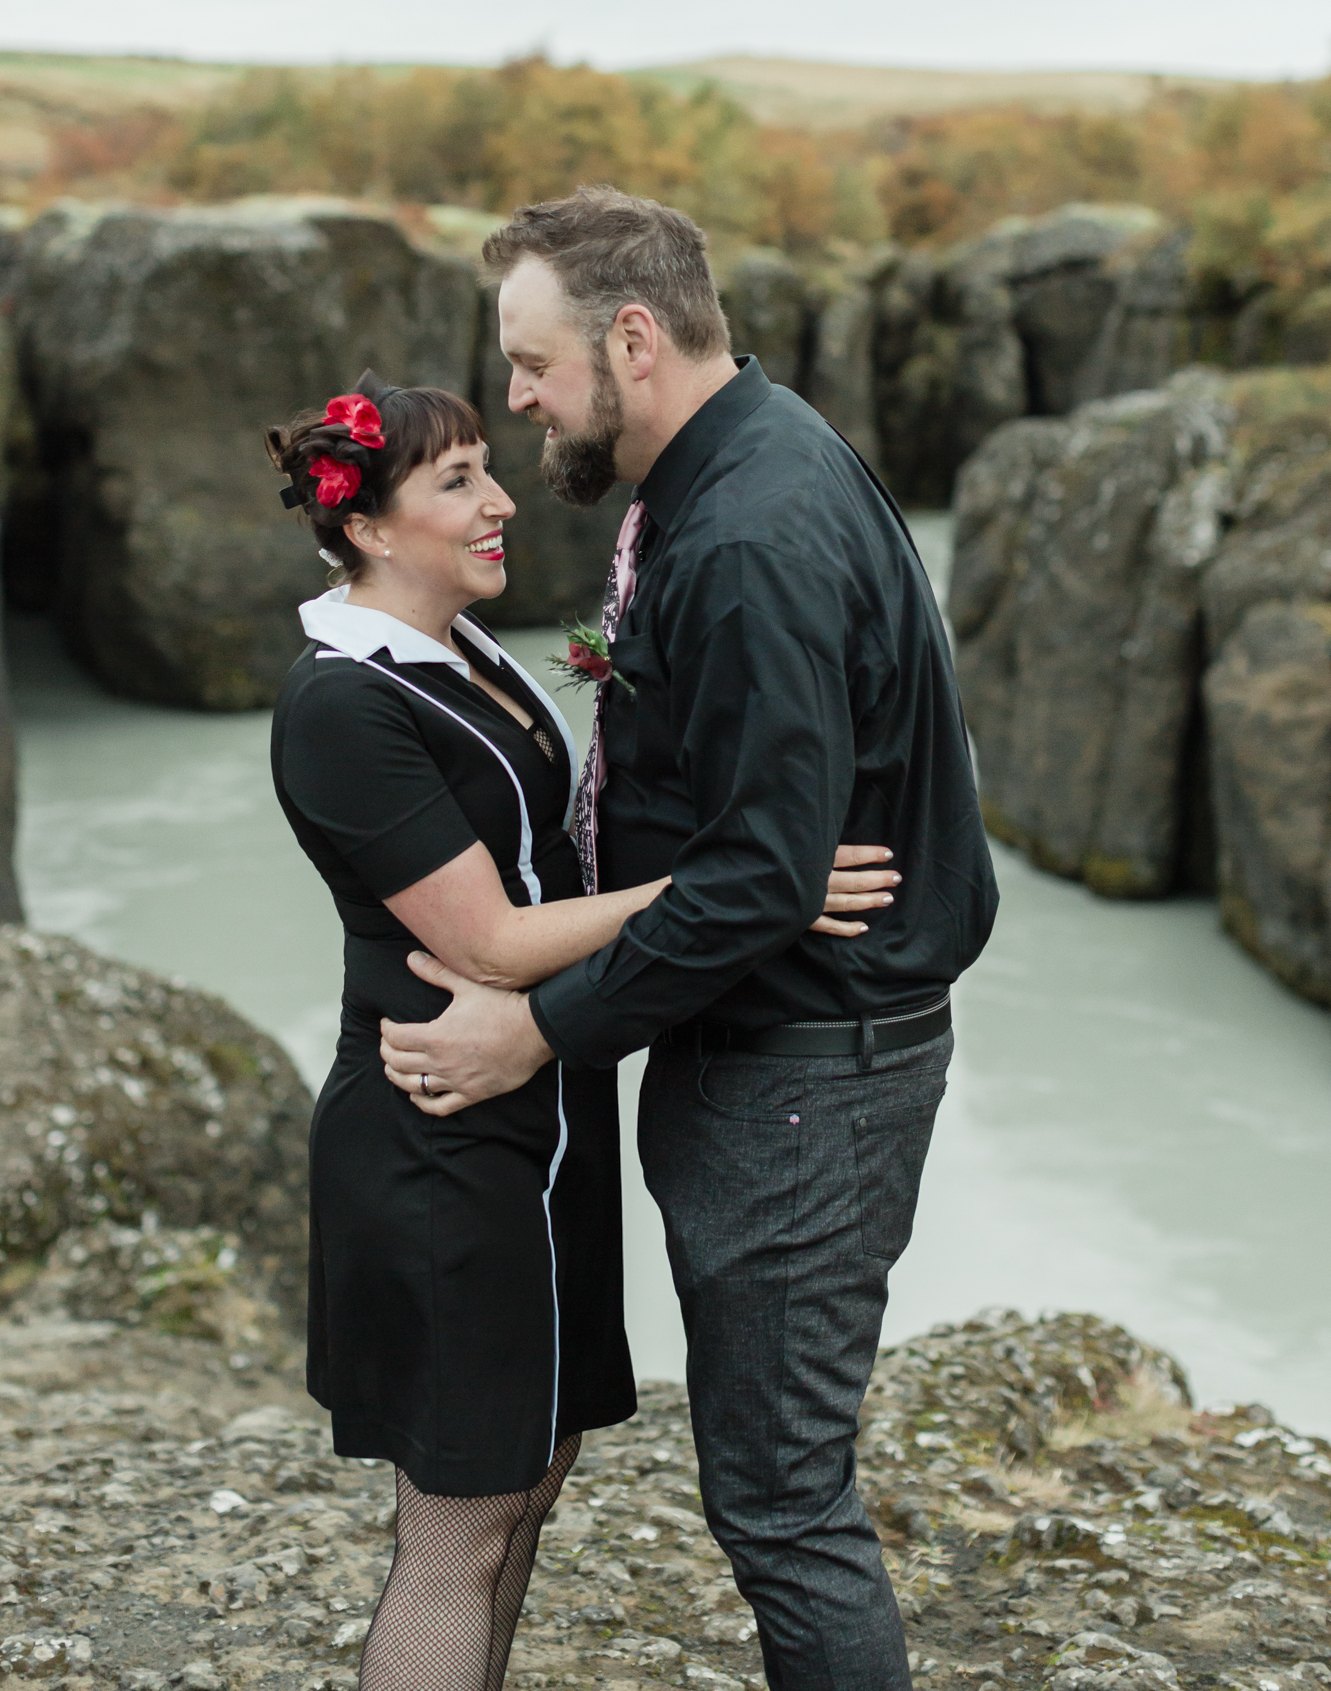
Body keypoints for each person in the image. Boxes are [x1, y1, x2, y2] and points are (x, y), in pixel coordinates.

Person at [376, 189, 1001, 1691]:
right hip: (788, 1061)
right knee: (777, 1491)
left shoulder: (750, 538)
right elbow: (756, 849)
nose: (517, 398)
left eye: (533, 365)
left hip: (802, 1082)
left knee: (783, 1506)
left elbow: (762, 875)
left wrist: (538, 1025)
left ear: (632, 339)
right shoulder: (746, 455)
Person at [265, 375, 901, 1691]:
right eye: (456, 483)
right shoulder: (342, 703)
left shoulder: (463, 652)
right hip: (437, 1137)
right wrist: (749, 882)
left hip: (539, 1121)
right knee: (456, 1531)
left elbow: (559, 859)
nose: (501, 501)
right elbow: (490, 938)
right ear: (370, 529)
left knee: (530, 1488)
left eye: (492, 469)